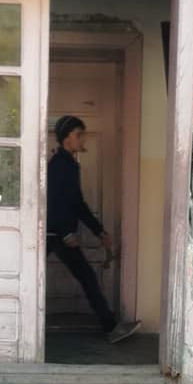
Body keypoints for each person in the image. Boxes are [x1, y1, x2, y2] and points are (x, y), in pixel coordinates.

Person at [48, 115, 141, 344]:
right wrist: (66, 232)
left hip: (56, 233)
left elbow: (77, 204)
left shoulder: (68, 164)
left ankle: (111, 327)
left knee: (86, 277)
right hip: (56, 234)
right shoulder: (60, 165)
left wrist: (99, 231)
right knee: (87, 277)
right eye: (78, 135)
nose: (82, 139)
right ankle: (111, 328)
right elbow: (52, 201)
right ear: (67, 138)